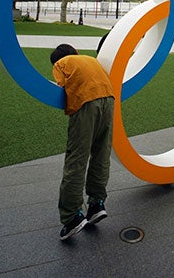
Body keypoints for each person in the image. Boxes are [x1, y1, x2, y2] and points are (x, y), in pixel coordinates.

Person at [49, 43, 115, 240]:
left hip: (86, 103)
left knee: (77, 158)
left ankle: (72, 217)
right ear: (75, 52)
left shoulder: (62, 63)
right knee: (101, 154)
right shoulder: (90, 59)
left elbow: (59, 86)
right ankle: (96, 204)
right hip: (109, 100)